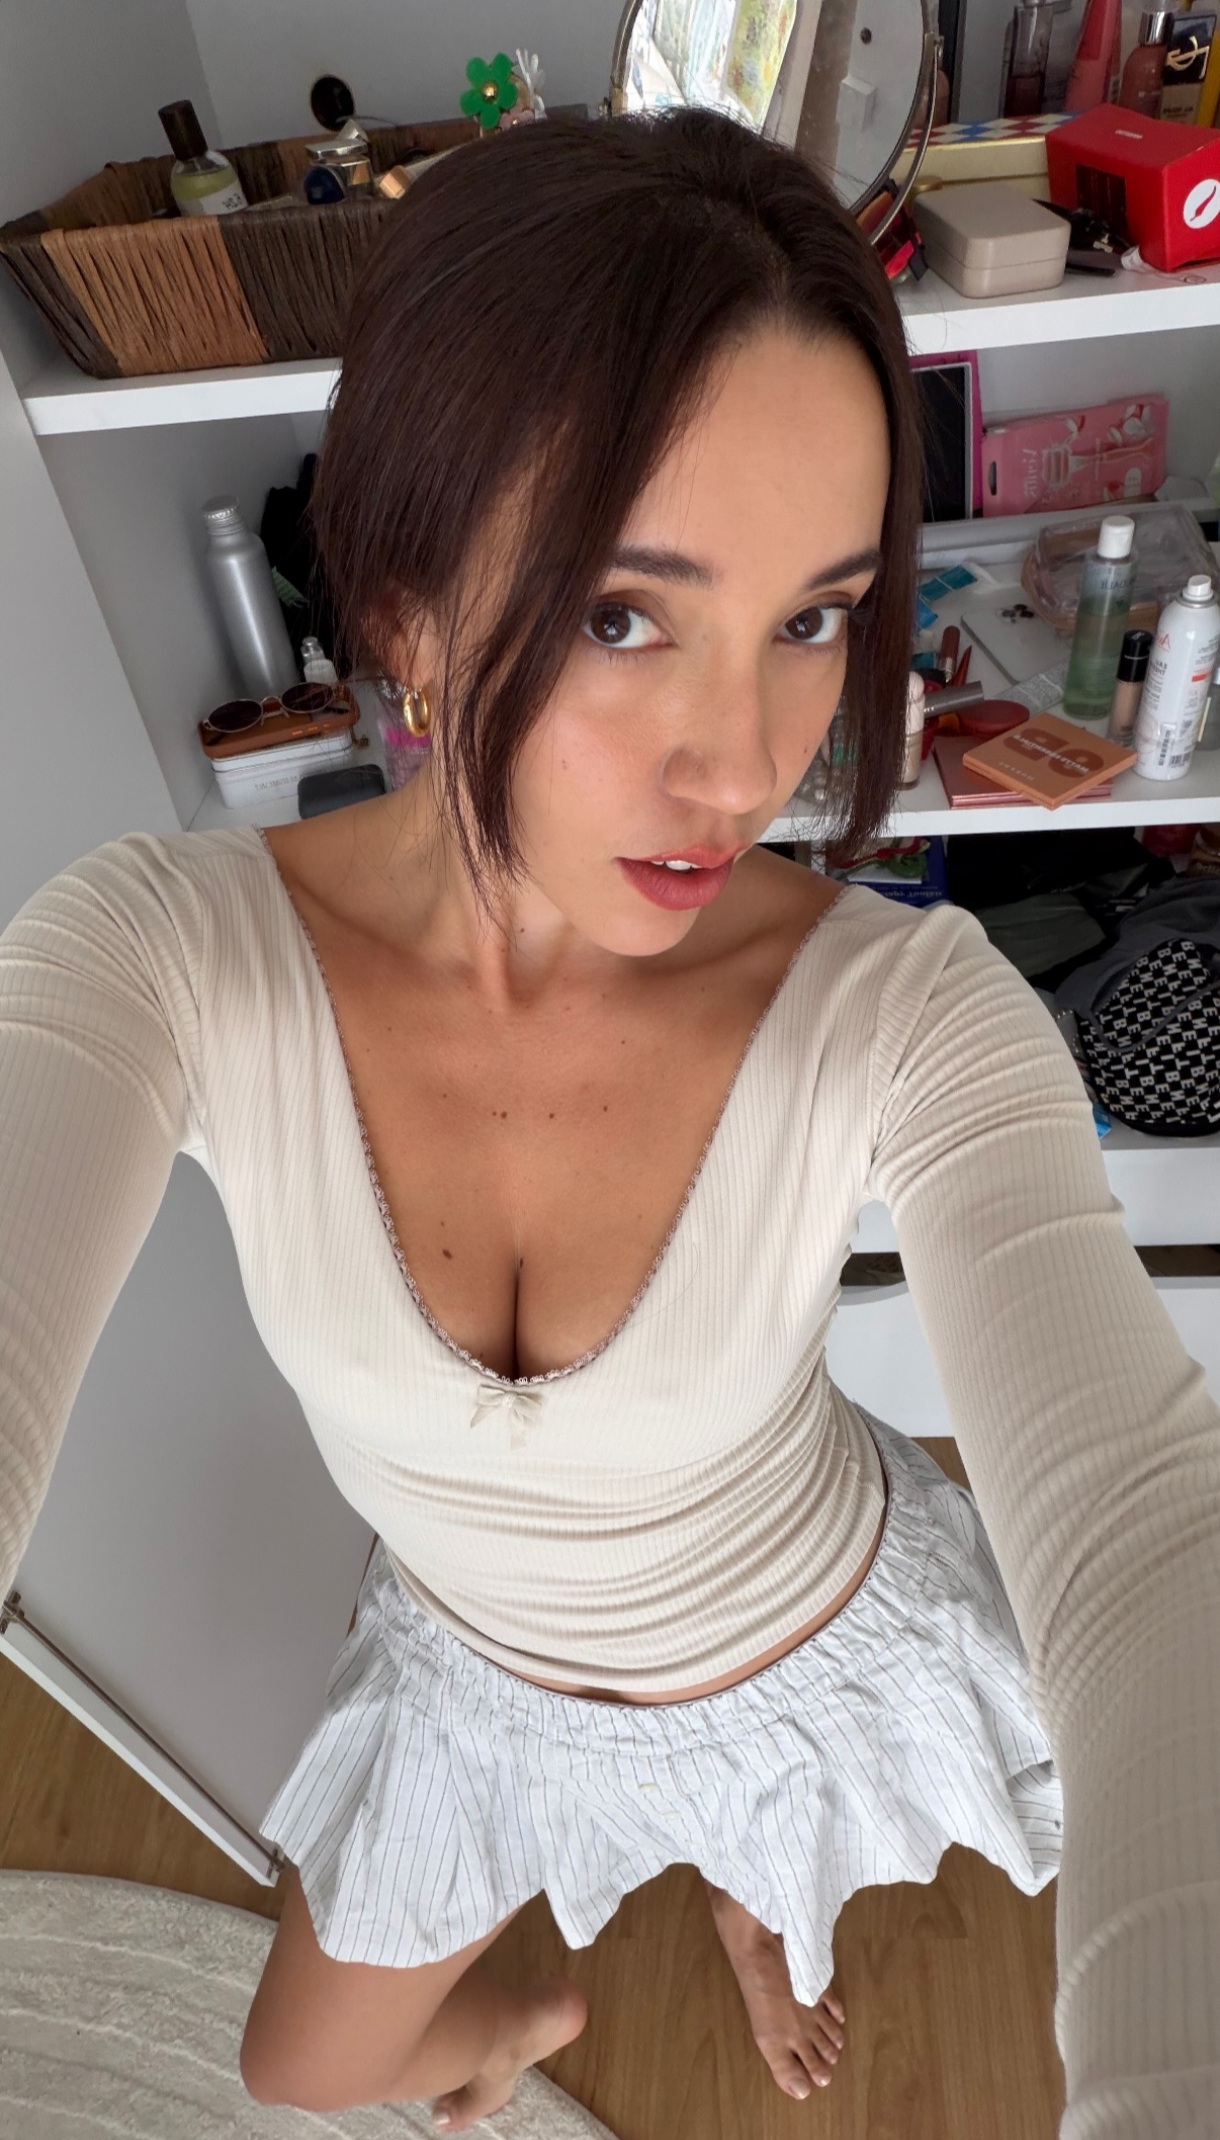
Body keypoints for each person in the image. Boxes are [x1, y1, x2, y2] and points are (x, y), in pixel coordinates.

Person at [1, 108, 1217, 2140]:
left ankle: (750, 1897)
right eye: (624, 614)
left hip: (800, 1636)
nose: (742, 764)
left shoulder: (906, 1012)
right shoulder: (165, 953)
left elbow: (1141, 1521)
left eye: (813, 616)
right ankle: (530, 2003)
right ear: (402, 606)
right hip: (477, 1675)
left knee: (767, 1851)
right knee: (299, 2067)